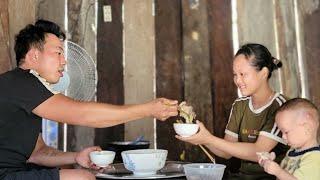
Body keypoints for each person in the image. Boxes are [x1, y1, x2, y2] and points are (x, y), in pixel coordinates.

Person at [0, 19, 178, 180]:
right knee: (82, 178)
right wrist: (147, 110)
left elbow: (37, 153)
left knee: (73, 169)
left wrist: (76, 157)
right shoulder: (21, 82)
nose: (64, 62)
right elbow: (84, 114)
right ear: (34, 56)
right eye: (58, 53)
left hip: (14, 172)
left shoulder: (24, 88)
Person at [176, 43, 289, 179]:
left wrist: (209, 138)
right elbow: (226, 152)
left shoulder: (281, 107)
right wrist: (201, 137)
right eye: (235, 75)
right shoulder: (239, 105)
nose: (238, 80)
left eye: (243, 74)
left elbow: (259, 151)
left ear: (263, 73)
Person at [258, 98, 320, 180]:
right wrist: (269, 161)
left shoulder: (314, 158)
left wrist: (278, 171)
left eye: (286, 132)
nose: (283, 137)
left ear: (307, 128)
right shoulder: (293, 150)